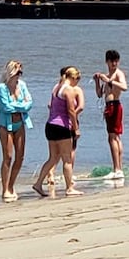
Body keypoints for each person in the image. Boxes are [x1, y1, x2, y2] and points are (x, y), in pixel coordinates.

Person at [31, 66, 84, 197]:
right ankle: (69, 187)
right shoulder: (68, 90)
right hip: (62, 126)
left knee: (53, 158)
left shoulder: (56, 87)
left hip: (50, 125)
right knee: (67, 159)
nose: (77, 82)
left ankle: (38, 183)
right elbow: (71, 110)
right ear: (72, 77)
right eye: (77, 79)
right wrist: (76, 128)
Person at [0, 60, 32, 202]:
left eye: (21, 73)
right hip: (6, 126)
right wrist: (20, 106)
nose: (19, 76)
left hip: (20, 123)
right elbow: (5, 107)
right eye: (17, 73)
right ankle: (5, 189)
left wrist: (19, 106)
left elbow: (29, 103)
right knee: (8, 157)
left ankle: (11, 185)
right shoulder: (2, 88)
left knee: (20, 157)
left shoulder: (22, 86)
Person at [93, 49, 128, 181]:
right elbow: (99, 94)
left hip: (115, 105)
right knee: (114, 137)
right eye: (112, 61)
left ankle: (117, 169)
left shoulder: (118, 74)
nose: (114, 63)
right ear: (107, 61)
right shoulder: (108, 75)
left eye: (116, 61)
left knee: (113, 137)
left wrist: (109, 80)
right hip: (109, 106)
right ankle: (118, 168)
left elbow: (124, 87)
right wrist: (98, 81)